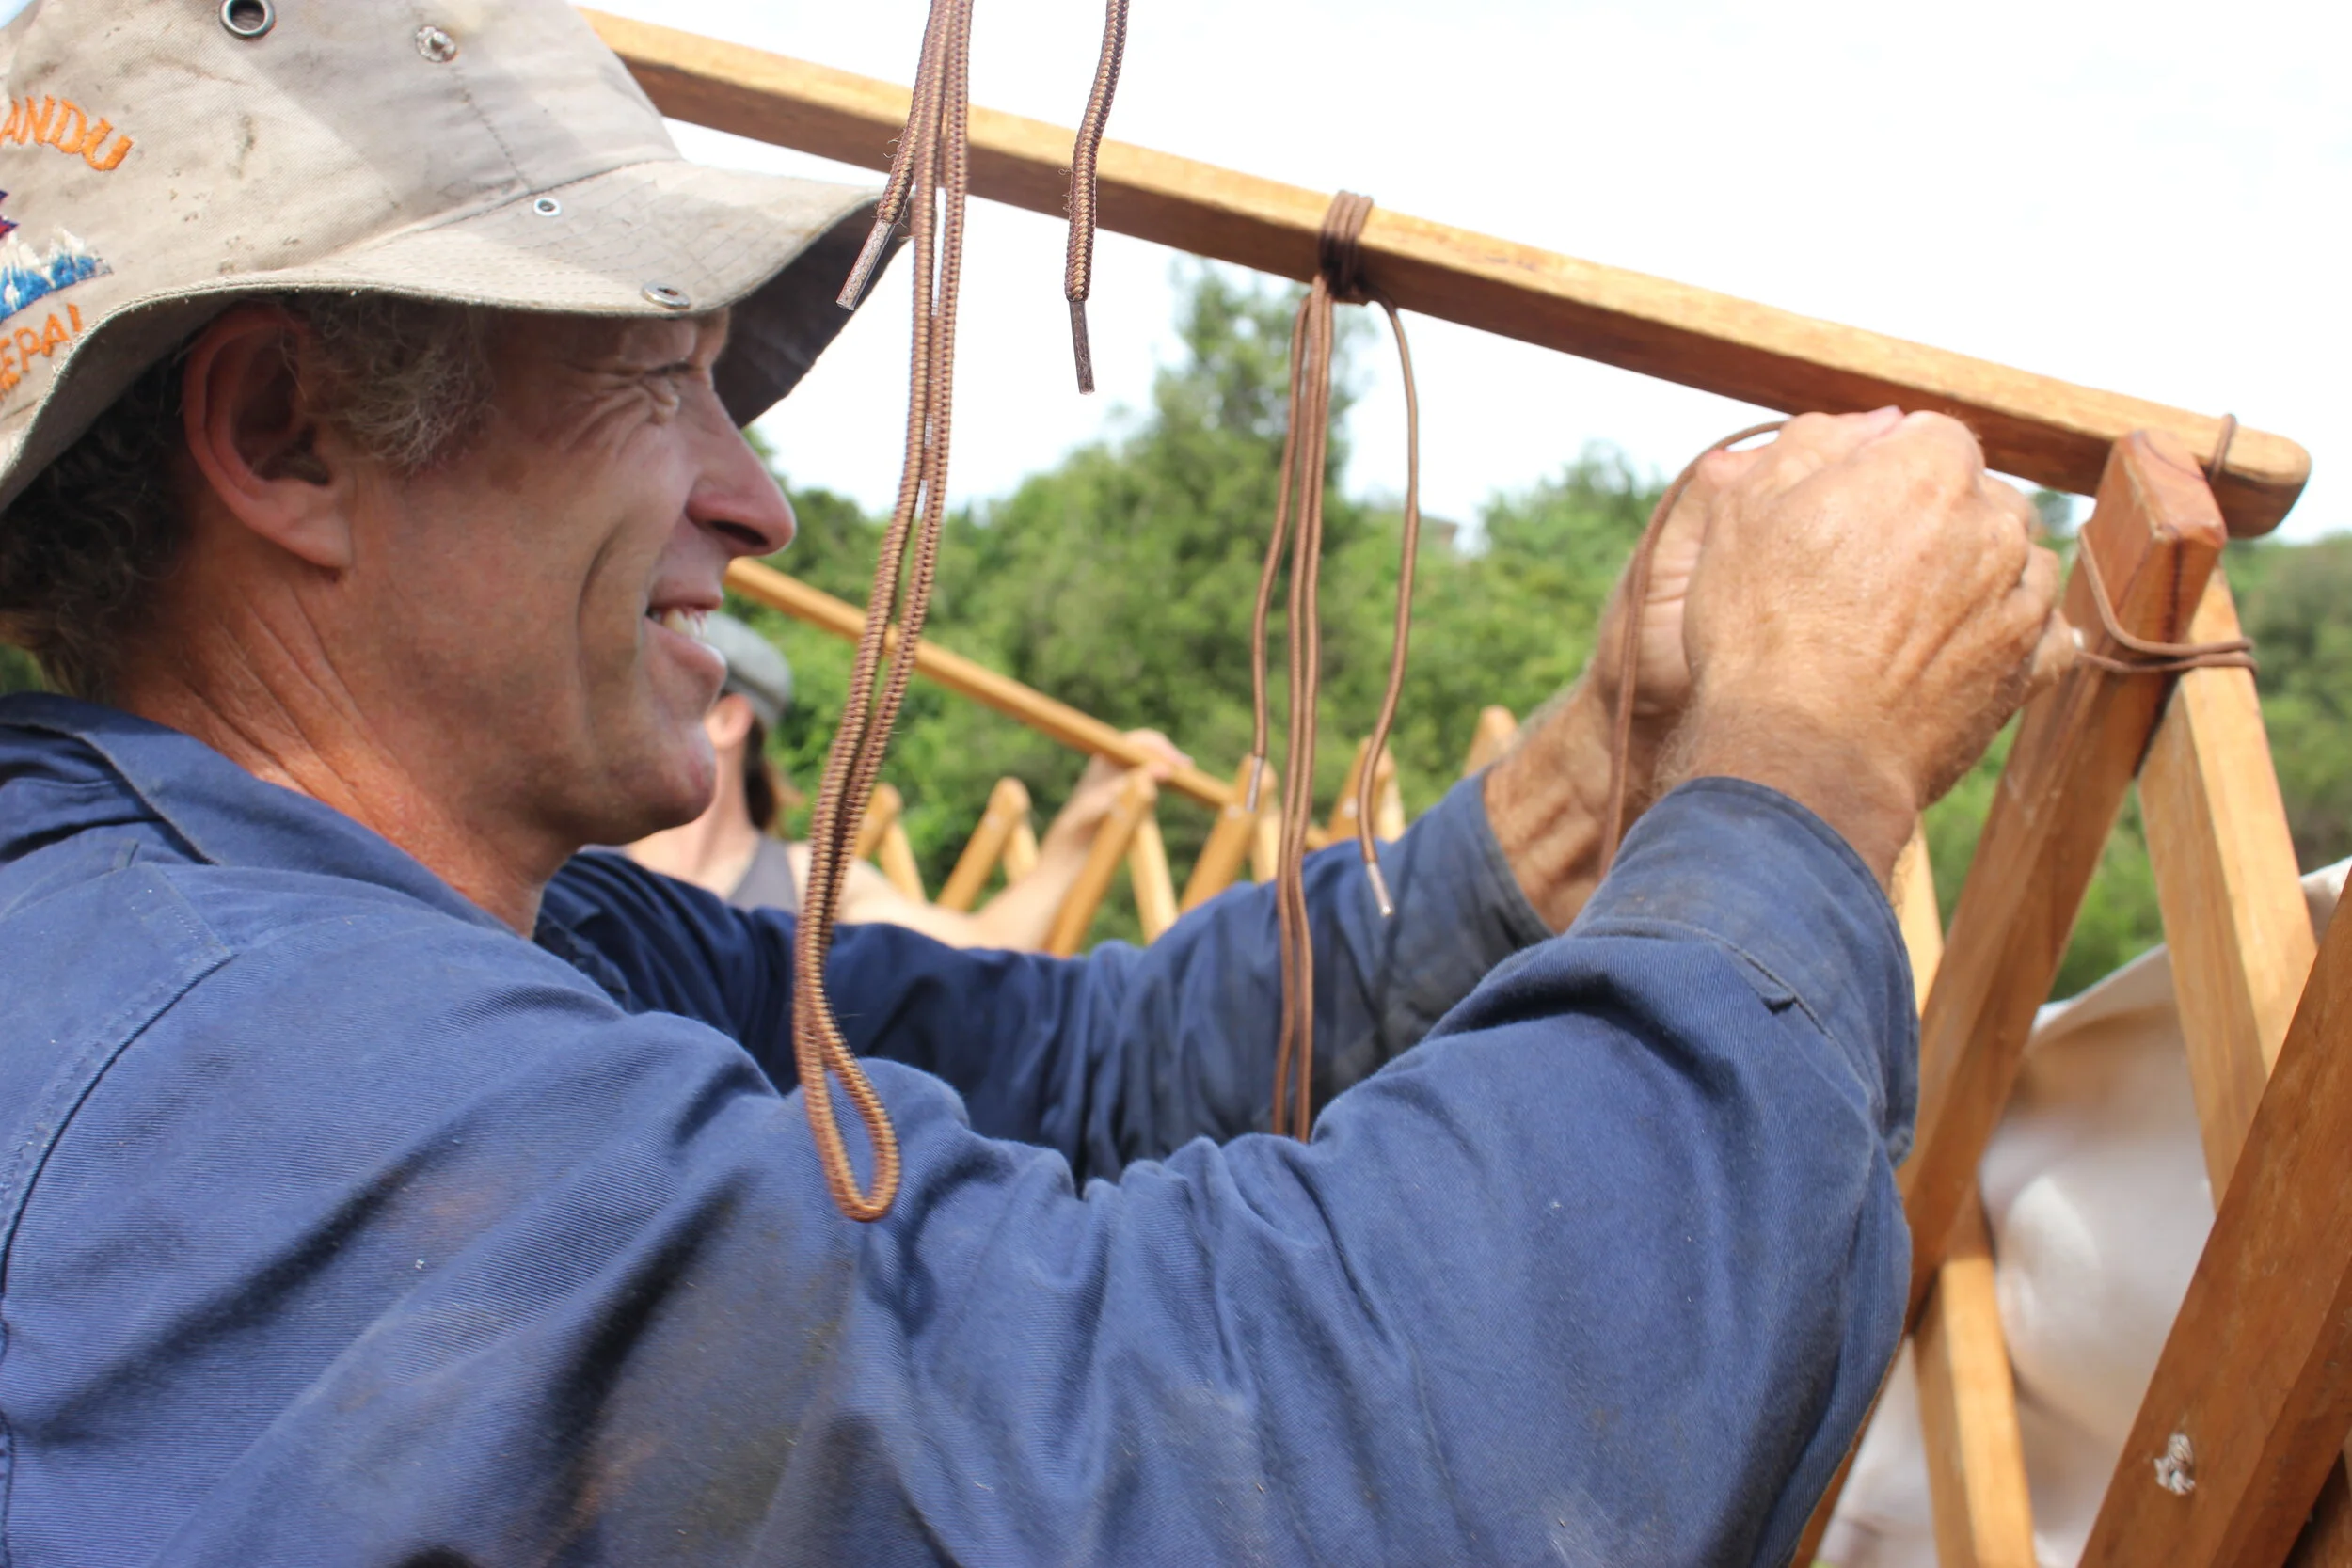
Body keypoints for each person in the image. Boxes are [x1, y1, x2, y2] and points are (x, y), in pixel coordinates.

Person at [0, 4, 2068, 1563]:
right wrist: (1798, 761)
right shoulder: (242, 1065)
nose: (763, 496)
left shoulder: (472, 943)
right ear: (283, 436)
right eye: (664, 375)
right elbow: (1279, 1462)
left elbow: (1074, 1076)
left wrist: (1592, 773)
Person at [625, 611, 1185, 947]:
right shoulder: (575, 863)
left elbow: (986, 945)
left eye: (653, 681)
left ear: (726, 720)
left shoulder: (812, 885)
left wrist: (1080, 826)